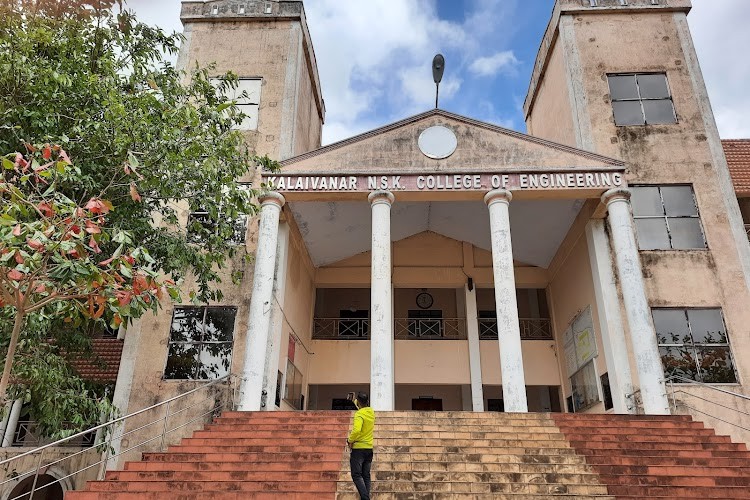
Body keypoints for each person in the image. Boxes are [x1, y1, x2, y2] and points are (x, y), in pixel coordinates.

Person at [347, 391, 375, 500]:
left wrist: (350, 440)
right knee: (366, 475)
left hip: (359, 450)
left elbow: (356, 430)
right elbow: (361, 406)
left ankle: (365, 498)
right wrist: (354, 400)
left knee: (356, 475)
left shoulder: (359, 414)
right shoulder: (371, 412)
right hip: (369, 449)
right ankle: (365, 497)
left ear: (358, 402)